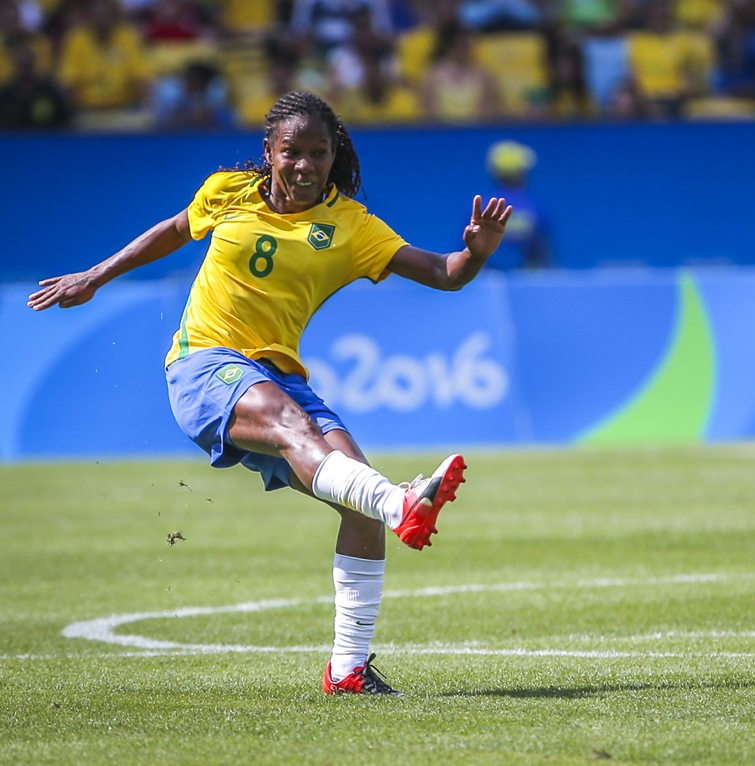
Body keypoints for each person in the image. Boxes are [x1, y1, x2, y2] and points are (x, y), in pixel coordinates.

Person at [28, 90, 513, 696]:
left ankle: (348, 671)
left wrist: (478, 252)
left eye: (319, 153)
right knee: (306, 438)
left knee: (353, 500)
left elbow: (446, 274)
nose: (306, 165)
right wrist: (94, 277)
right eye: (293, 153)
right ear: (270, 152)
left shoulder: (351, 226)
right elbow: (177, 229)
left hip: (280, 377)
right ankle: (401, 503)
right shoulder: (225, 190)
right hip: (204, 365)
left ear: (335, 155)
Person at [484, 140, 552, 269]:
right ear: (524, 173)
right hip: (528, 283)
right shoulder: (536, 208)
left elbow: (466, 250)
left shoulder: (480, 206)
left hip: (485, 281)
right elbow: (543, 255)